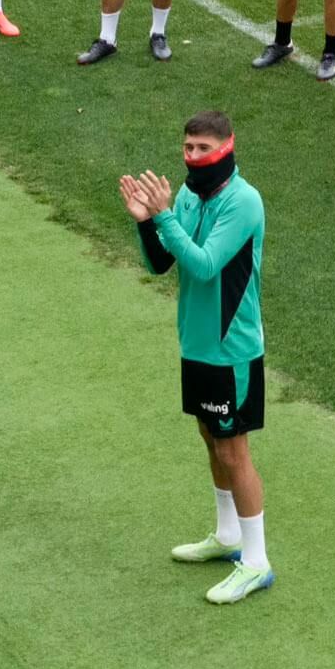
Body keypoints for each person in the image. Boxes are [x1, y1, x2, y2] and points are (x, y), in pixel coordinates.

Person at [120, 111, 274, 604]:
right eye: (187, 148)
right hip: (197, 345)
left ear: (229, 146)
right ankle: (227, 536)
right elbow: (164, 262)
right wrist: (148, 224)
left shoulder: (244, 202)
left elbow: (206, 266)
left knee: (234, 450)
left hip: (232, 350)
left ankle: (256, 562)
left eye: (203, 149)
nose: (193, 157)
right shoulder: (187, 195)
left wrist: (164, 216)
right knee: (210, 437)